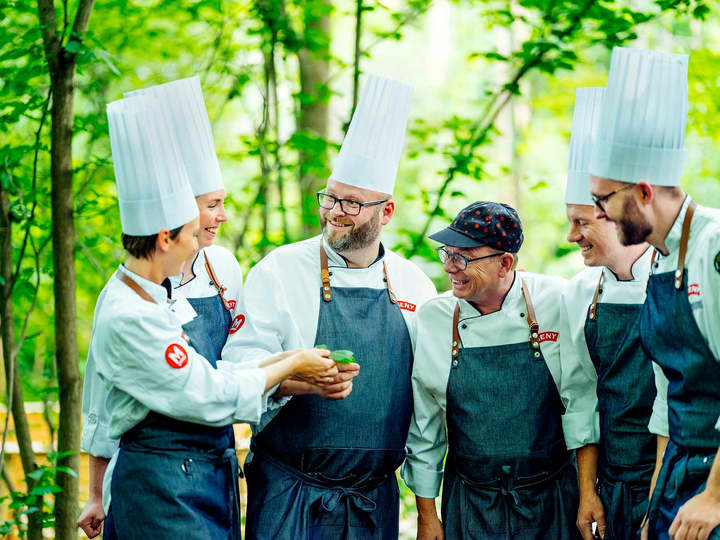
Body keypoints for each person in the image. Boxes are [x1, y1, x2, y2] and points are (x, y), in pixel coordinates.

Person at [82, 93, 336, 540]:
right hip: (162, 482)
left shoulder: (160, 295)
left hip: (210, 471)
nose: (201, 241)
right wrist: (292, 362)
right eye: (191, 233)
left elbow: (217, 369)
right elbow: (206, 390)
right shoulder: (130, 315)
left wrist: (295, 373)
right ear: (165, 237)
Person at [224, 74, 437, 539]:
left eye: (352, 203)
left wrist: (426, 508)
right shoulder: (278, 271)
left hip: (373, 500)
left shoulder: (415, 285)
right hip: (288, 496)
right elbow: (237, 368)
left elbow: (426, 403)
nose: (334, 211)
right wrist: (296, 381)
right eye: (330, 197)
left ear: (387, 212)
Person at [77, 76, 249, 538]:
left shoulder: (223, 268)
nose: (219, 218)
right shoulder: (128, 301)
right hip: (158, 474)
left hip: (216, 461)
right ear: (171, 227)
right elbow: (101, 399)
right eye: (211, 207)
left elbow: (239, 355)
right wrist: (95, 492)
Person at [588, 47, 720, 539]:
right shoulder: (662, 258)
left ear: (644, 191)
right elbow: (668, 395)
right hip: (680, 474)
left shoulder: (713, 246)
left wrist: (713, 497)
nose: (599, 215)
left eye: (605, 200)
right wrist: (657, 502)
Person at [403, 201, 581, 540]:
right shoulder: (433, 318)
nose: (450, 268)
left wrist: (587, 492)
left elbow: (581, 403)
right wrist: (427, 516)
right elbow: (425, 429)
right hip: (471, 503)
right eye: (447, 254)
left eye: (463, 257)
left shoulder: (557, 300)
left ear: (505, 263)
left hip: (553, 500)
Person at [560, 87, 658, 540]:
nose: (571, 236)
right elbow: (580, 397)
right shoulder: (581, 292)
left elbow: (679, 401)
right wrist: (587, 490)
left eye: (582, 222)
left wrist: (657, 497)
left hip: (668, 477)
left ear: (615, 214)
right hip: (608, 482)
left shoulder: (671, 281)